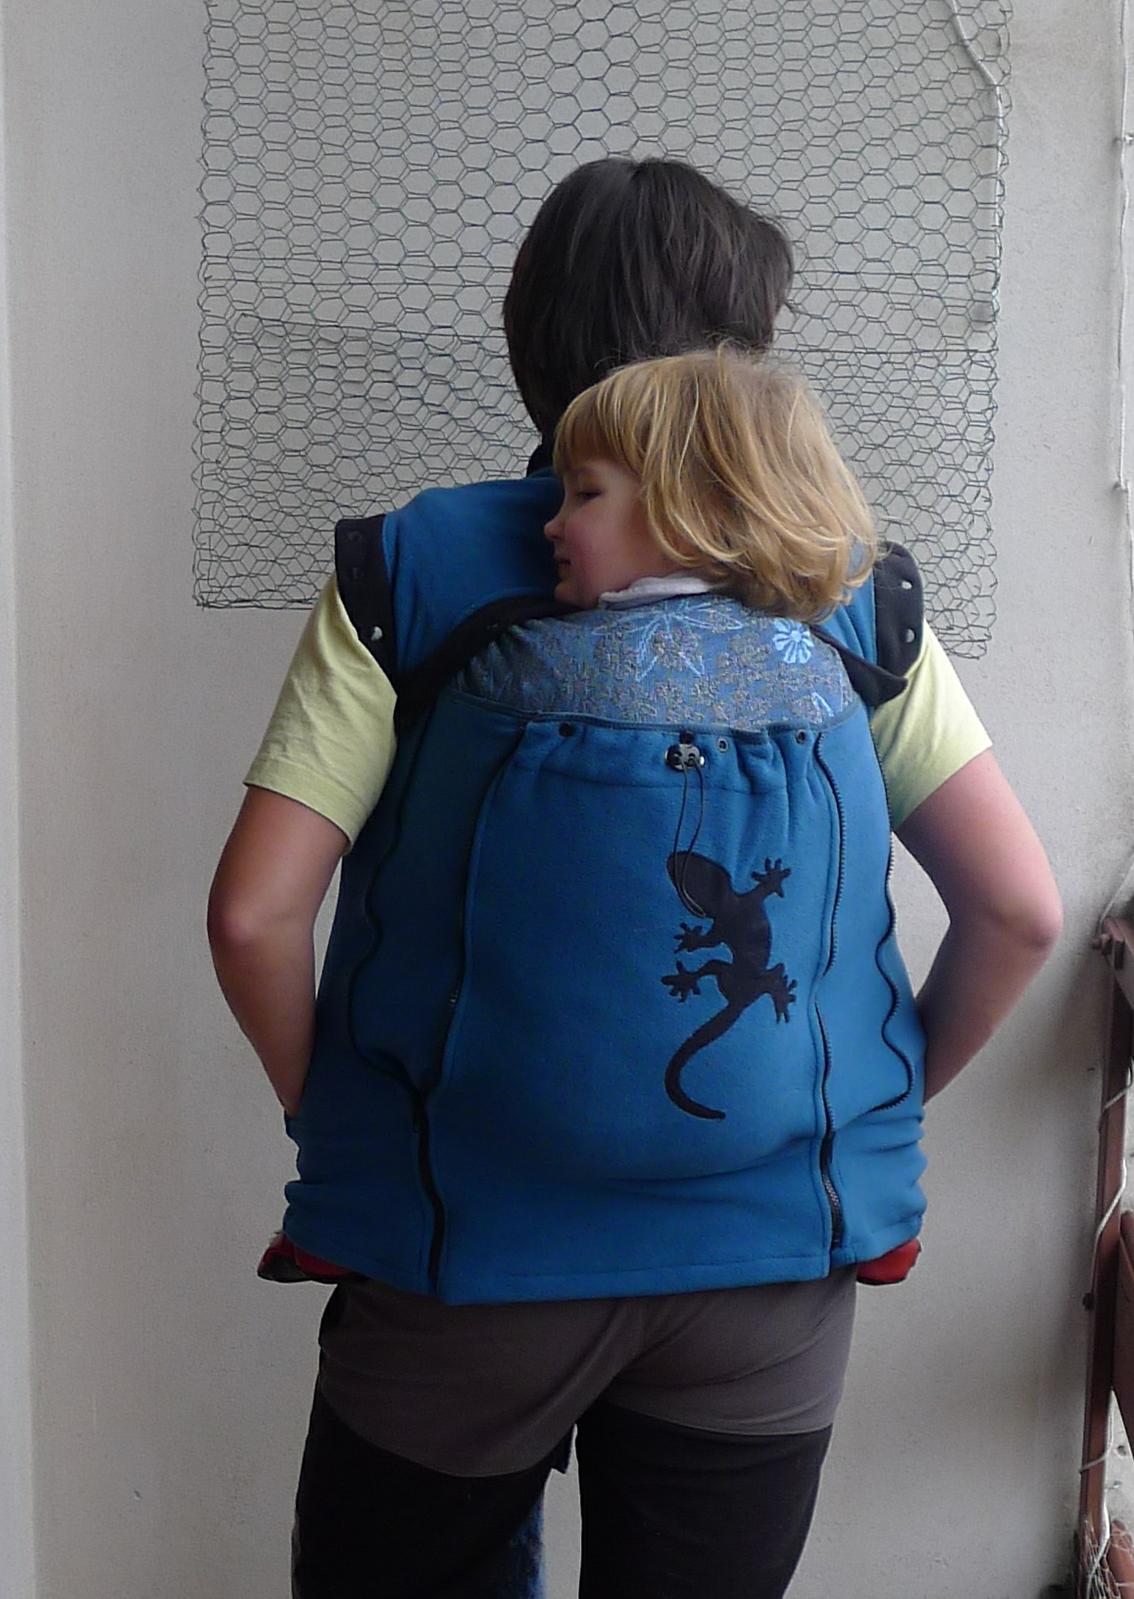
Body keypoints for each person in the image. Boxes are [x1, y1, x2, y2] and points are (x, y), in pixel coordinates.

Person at [208, 159, 1062, 1599]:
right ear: (742, 350)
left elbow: (254, 914)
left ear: (529, 333)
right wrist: (852, 1109)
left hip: (461, 1247)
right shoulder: (845, 581)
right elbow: (1019, 912)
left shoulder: (410, 568)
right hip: (766, 1266)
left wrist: (341, 1118)